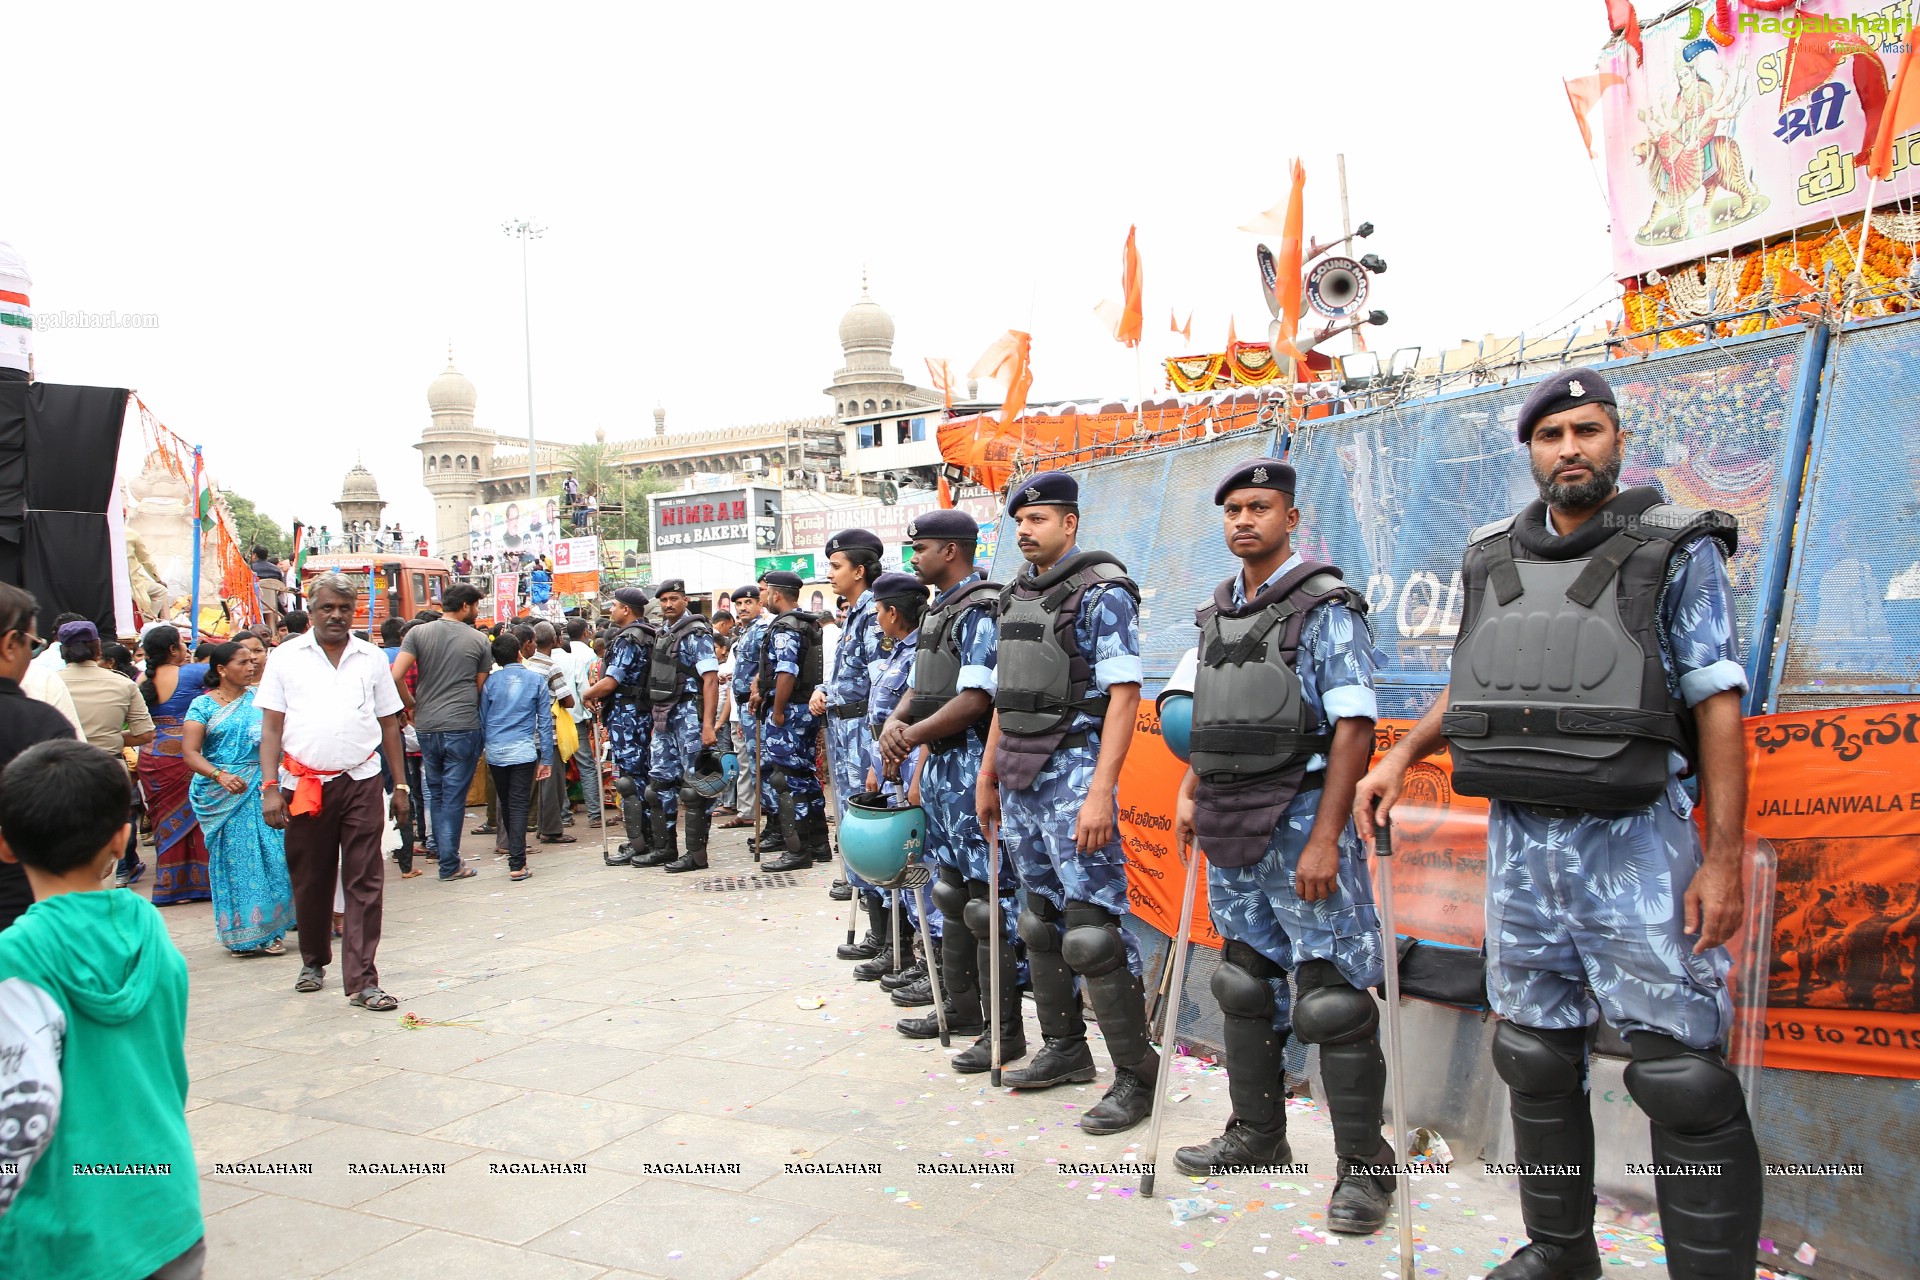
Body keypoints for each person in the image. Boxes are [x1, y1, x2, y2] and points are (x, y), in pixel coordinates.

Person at [1353, 368, 1761, 1280]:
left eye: (1588, 429)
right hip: (1521, 846)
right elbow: (1478, 681)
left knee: (1678, 1073)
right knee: (1532, 1054)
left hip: (1639, 845)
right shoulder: (1491, 553)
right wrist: (1398, 755)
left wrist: (1724, 858)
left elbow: (1720, 703)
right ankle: (1560, 1253)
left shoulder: (1677, 548)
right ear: (1529, 450)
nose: (1570, 447)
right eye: (1551, 434)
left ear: (1618, 439)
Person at [1162, 458, 1395, 1230]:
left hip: (1300, 815)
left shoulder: (1327, 606)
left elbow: (1354, 724)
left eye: (1259, 507)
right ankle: (1257, 1135)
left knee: (1330, 999)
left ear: (1291, 518)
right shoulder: (1216, 610)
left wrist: (1328, 837)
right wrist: (1193, 789)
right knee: (1243, 982)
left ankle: (1366, 1172)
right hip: (1229, 814)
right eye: (1231, 509)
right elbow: (1212, 718)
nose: (1242, 520)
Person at [977, 470, 1154, 1133]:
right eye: (1020, 520)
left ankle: (1137, 1079)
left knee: (1093, 932)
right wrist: (988, 775)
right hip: (1020, 776)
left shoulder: (1103, 593)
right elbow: (1005, 693)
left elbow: (1125, 694)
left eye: (1040, 519)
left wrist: (1102, 791)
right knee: (1040, 923)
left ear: (1070, 523)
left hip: (1075, 771)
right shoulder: (1014, 595)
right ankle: (1063, 1050)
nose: (1025, 530)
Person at [0, 739, 204, 1280]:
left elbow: (23, 1115)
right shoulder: (152, 934)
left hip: (61, 1239)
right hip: (165, 1208)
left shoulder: (14, 960)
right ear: (121, 837)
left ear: (4, 845)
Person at [880, 510, 1015, 1055]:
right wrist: (897, 719)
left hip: (970, 764)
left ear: (951, 551)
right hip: (939, 767)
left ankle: (1001, 1029)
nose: (915, 559)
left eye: (922, 549)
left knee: (985, 902)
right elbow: (924, 684)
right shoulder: (941, 610)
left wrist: (910, 734)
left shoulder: (982, 607)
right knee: (952, 892)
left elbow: (977, 697)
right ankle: (960, 1006)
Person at [257, 573, 409, 1009]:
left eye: (345, 608)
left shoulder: (371, 658)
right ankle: (313, 959)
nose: (337, 615)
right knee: (311, 876)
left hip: (361, 780)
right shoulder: (286, 657)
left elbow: (389, 725)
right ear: (311, 610)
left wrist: (399, 786)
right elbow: (271, 728)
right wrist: (269, 788)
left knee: (365, 880)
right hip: (302, 786)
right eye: (328, 607)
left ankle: (363, 980)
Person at [182, 641, 295, 957]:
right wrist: (219, 775)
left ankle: (272, 930)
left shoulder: (259, 701)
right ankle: (241, 934)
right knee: (237, 862)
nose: (251, 666)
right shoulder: (203, 707)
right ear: (221, 669)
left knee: (273, 856)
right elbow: (190, 753)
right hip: (223, 794)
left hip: (262, 789)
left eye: (252, 661)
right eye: (242, 662)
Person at [814, 529, 892, 963]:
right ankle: (876, 932)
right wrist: (823, 690)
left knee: (870, 828)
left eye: (836, 566)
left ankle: (886, 937)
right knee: (853, 828)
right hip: (843, 732)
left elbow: (881, 685)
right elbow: (849, 674)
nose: (829, 574)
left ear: (859, 570)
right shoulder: (854, 614)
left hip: (864, 735)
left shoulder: (873, 614)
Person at [861, 572, 939, 1006]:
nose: (877, 617)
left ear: (893, 612)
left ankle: (935, 971)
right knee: (903, 865)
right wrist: (877, 768)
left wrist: (915, 777)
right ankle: (913, 956)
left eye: (880, 610)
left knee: (923, 870)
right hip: (892, 767)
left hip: (914, 771)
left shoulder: (921, 654)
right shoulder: (900, 651)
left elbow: (926, 716)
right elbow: (885, 720)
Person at [392, 583, 492, 881]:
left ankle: (445, 856)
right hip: (461, 724)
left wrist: (411, 705)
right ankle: (449, 864)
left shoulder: (417, 633)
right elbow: (478, 687)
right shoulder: (478, 639)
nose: (475, 612)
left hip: (427, 725)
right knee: (453, 798)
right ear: (465, 606)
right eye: (475, 606)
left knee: (435, 793)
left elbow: (395, 674)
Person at [0, 586, 77, 932]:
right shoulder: (40, 723)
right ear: (10, 644)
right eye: (33, 645)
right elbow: (68, 823)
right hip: (20, 913)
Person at [56, 620, 155, 888]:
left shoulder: (51, 683)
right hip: (108, 768)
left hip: (60, 771)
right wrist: (112, 736)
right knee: (108, 844)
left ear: (63, 651)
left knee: (65, 843)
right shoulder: (122, 684)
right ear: (98, 648)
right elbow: (146, 733)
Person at [631, 580, 719, 874]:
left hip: (690, 717)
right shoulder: (662, 634)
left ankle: (696, 855)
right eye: (664, 600)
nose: (668, 604)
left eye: (674, 599)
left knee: (695, 788)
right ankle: (664, 847)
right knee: (659, 785)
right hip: (664, 716)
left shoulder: (696, 633)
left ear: (685, 600)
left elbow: (710, 680)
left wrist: (708, 725)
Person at [750, 572, 830, 872]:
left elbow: (786, 671)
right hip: (803, 708)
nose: (763, 598)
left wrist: (778, 709)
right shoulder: (807, 623)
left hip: (791, 710)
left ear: (776, 595)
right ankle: (818, 844)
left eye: (765, 592)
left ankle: (798, 850)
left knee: (788, 781)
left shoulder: (785, 626)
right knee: (805, 778)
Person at [137, 626, 214, 906]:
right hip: (185, 754)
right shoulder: (192, 673)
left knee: (163, 821)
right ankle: (201, 882)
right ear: (173, 649)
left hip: (152, 755)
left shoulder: (142, 678)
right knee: (197, 817)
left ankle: (170, 885)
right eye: (182, 644)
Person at [583, 587, 656, 866]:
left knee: (631, 781)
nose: (611, 610)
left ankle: (640, 842)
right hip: (642, 713)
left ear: (626, 609)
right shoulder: (649, 635)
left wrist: (588, 694)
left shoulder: (628, 639)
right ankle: (647, 838)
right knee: (641, 779)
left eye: (614, 605)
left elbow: (612, 681)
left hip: (629, 716)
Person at [479, 633, 553, 883]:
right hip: (523, 750)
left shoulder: (490, 683)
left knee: (507, 802)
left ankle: (515, 855)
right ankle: (517, 863)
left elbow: (483, 718)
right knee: (519, 804)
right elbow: (544, 722)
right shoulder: (535, 680)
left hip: (496, 751)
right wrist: (547, 758)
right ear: (520, 652)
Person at [525, 622, 577, 846]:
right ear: (555, 639)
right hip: (550, 731)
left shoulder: (527, 664)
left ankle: (541, 826)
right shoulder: (550, 666)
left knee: (537, 782)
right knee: (552, 783)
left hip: (528, 731)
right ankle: (552, 830)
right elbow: (569, 700)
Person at [722, 585, 766, 831]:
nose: (743, 608)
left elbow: (764, 668)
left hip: (757, 708)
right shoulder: (744, 633)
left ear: (760, 604)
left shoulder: (762, 631)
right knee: (750, 763)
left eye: (748, 603)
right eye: (738, 604)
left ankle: (773, 824)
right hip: (743, 710)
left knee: (762, 765)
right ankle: (754, 815)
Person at [561, 618, 603, 829]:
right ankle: (595, 814)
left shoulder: (540, 661)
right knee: (586, 764)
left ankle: (564, 815)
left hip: (553, 722)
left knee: (557, 767)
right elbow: (584, 690)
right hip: (576, 718)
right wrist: (589, 714)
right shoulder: (583, 657)